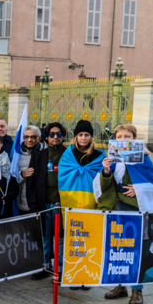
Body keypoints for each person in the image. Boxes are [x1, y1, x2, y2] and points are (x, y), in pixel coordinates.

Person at [97, 124, 153, 304]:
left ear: (134, 139)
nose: (123, 139)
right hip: (115, 207)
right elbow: (105, 184)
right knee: (116, 247)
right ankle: (119, 286)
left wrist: (138, 188)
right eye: (119, 136)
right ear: (115, 139)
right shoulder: (111, 158)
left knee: (134, 249)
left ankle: (137, 290)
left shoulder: (144, 158)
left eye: (127, 135)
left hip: (134, 208)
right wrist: (106, 171)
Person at [58, 119, 104, 291]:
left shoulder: (99, 157)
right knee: (74, 241)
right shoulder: (68, 155)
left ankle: (88, 276)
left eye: (87, 135)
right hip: (71, 203)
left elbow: (104, 178)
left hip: (92, 203)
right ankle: (74, 276)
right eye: (80, 135)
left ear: (91, 137)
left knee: (90, 241)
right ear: (75, 137)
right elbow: (63, 176)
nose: (83, 138)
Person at [26, 122, 68, 280]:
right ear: (46, 137)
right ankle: (44, 266)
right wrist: (33, 204)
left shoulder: (68, 154)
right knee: (44, 235)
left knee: (61, 237)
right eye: (52, 134)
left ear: (63, 136)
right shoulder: (38, 156)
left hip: (62, 203)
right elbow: (30, 183)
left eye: (58, 134)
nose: (55, 137)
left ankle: (60, 268)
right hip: (44, 204)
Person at [15, 125, 45, 215]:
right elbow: (12, 176)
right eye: (26, 137)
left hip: (41, 200)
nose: (29, 140)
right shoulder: (16, 153)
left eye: (33, 137)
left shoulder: (46, 152)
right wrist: (22, 175)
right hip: (23, 201)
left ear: (39, 138)